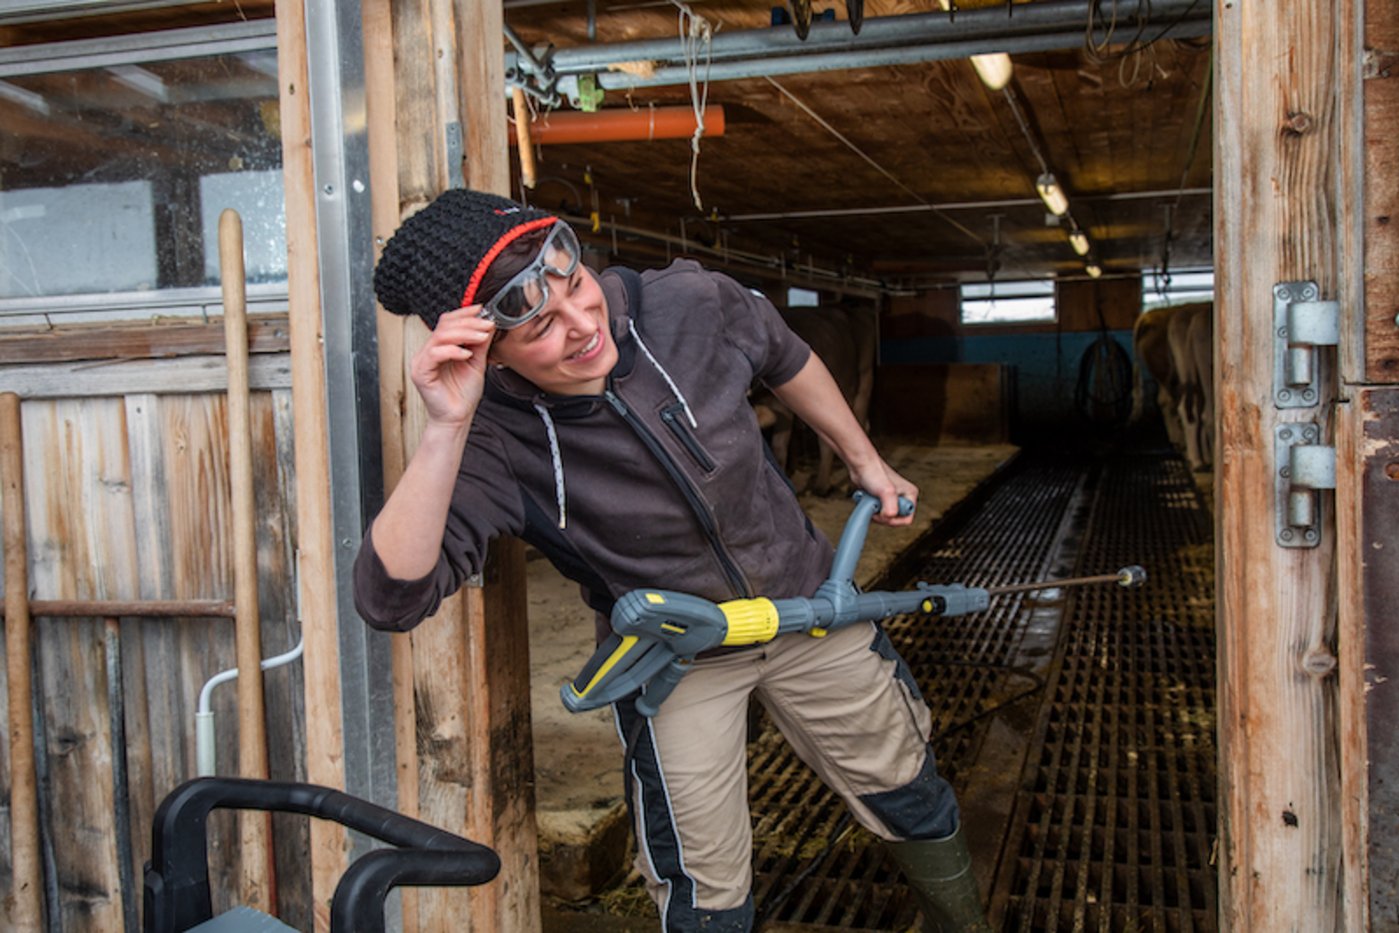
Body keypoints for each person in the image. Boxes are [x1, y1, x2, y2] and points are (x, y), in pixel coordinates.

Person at [356, 188, 989, 933]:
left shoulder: (688, 302)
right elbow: (391, 598)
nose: (583, 325)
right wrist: (445, 428)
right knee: (705, 884)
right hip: (677, 659)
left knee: (909, 787)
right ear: (485, 348)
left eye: (577, 286)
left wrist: (866, 461)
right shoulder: (492, 439)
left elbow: (785, 353)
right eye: (541, 326)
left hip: (811, 602)